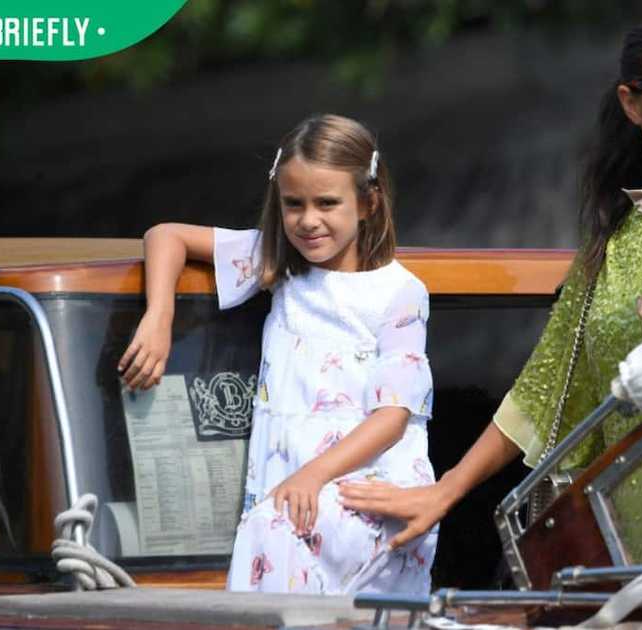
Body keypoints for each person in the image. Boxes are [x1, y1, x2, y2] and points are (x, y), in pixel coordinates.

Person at [339, 8, 642, 573]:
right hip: (635, 563)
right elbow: (542, 390)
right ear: (633, 103)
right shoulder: (616, 240)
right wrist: (444, 492)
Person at [117, 114, 436, 595]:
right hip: (295, 498)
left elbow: (392, 416)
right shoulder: (278, 264)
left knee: (273, 538)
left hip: (367, 493)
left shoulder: (398, 293)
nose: (308, 220)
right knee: (273, 544)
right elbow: (165, 235)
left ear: (369, 202)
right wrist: (159, 316)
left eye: (327, 203)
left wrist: (313, 475)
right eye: (294, 204)